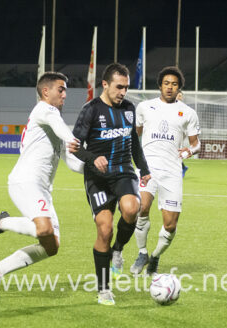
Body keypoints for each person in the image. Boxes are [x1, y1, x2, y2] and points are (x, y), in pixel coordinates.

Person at [0, 72, 87, 300]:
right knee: (45, 230)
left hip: (42, 190)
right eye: (61, 89)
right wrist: (87, 151)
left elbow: (72, 163)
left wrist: (98, 170)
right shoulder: (44, 110)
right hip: (26, 182)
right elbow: (70, 139)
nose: (65, 94)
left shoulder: (53, 122)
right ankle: (3, 222)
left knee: (51, 246)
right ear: (45, 91)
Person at [72, 63, 151, 305]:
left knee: (131, 209)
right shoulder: (91, 110)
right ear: (105, 84)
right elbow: (75, 147)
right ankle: (104, 288)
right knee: (104, 229)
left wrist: (144, 168)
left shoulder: (129, 108)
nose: (123, 92)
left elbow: (134, 142)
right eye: (119, 87)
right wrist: (93, 158)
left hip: (123, 171)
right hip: (97, 178)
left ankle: (118, 249)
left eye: (126, 88)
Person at [130, 66, 201, 276]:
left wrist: (189, 151)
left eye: (174, 84)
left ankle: (155, 257)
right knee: (140, 207)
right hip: (147, 167)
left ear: (179, 88)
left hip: (172, 172)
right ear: (160, 85)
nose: (170, 87)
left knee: (170, 225)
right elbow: (134, 136)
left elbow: (196, 144)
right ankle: (142, 252)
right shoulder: (144, 107)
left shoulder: (188, 113)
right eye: (166, 83)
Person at [176, 92, 188, 178]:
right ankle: (183, 167)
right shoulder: (171, 107)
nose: (180, 97)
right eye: (178, 95)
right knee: (174, 152)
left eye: (180, 96)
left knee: (176, 151)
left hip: (181, 132)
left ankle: (182, 168)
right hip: (173, 132)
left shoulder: (183, 109)